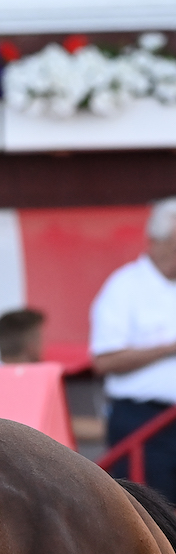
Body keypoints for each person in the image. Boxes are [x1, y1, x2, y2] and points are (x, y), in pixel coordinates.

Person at [90, 197, 176, 503]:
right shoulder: (124, 287)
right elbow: (105, 360)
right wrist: (168, 349)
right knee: (151, 516)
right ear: (157, 241)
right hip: (143, 421)